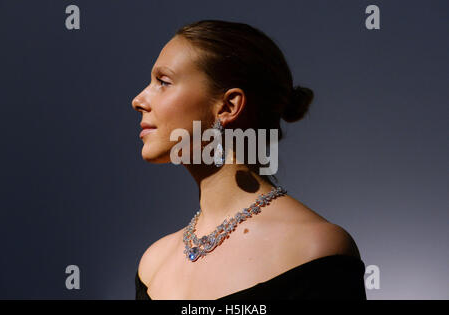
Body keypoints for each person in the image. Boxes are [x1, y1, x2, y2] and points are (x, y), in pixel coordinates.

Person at [131, 19, 366, 300]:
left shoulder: (315, 250)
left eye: (163, 82)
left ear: (228, 106)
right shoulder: (153, 265)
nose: (138, 100)